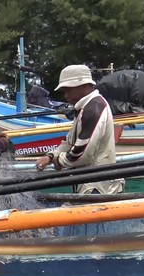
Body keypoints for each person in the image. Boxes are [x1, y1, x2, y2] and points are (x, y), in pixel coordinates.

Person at [35, 64, 124, 194]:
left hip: (98, 188)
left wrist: (57, 160)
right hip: (88, 185)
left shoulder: (94, 109)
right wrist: (50, 156)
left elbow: (81, 155)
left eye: (68, 90)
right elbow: (69, 141)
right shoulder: (85, 108)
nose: (65, 95)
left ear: (84, 86)